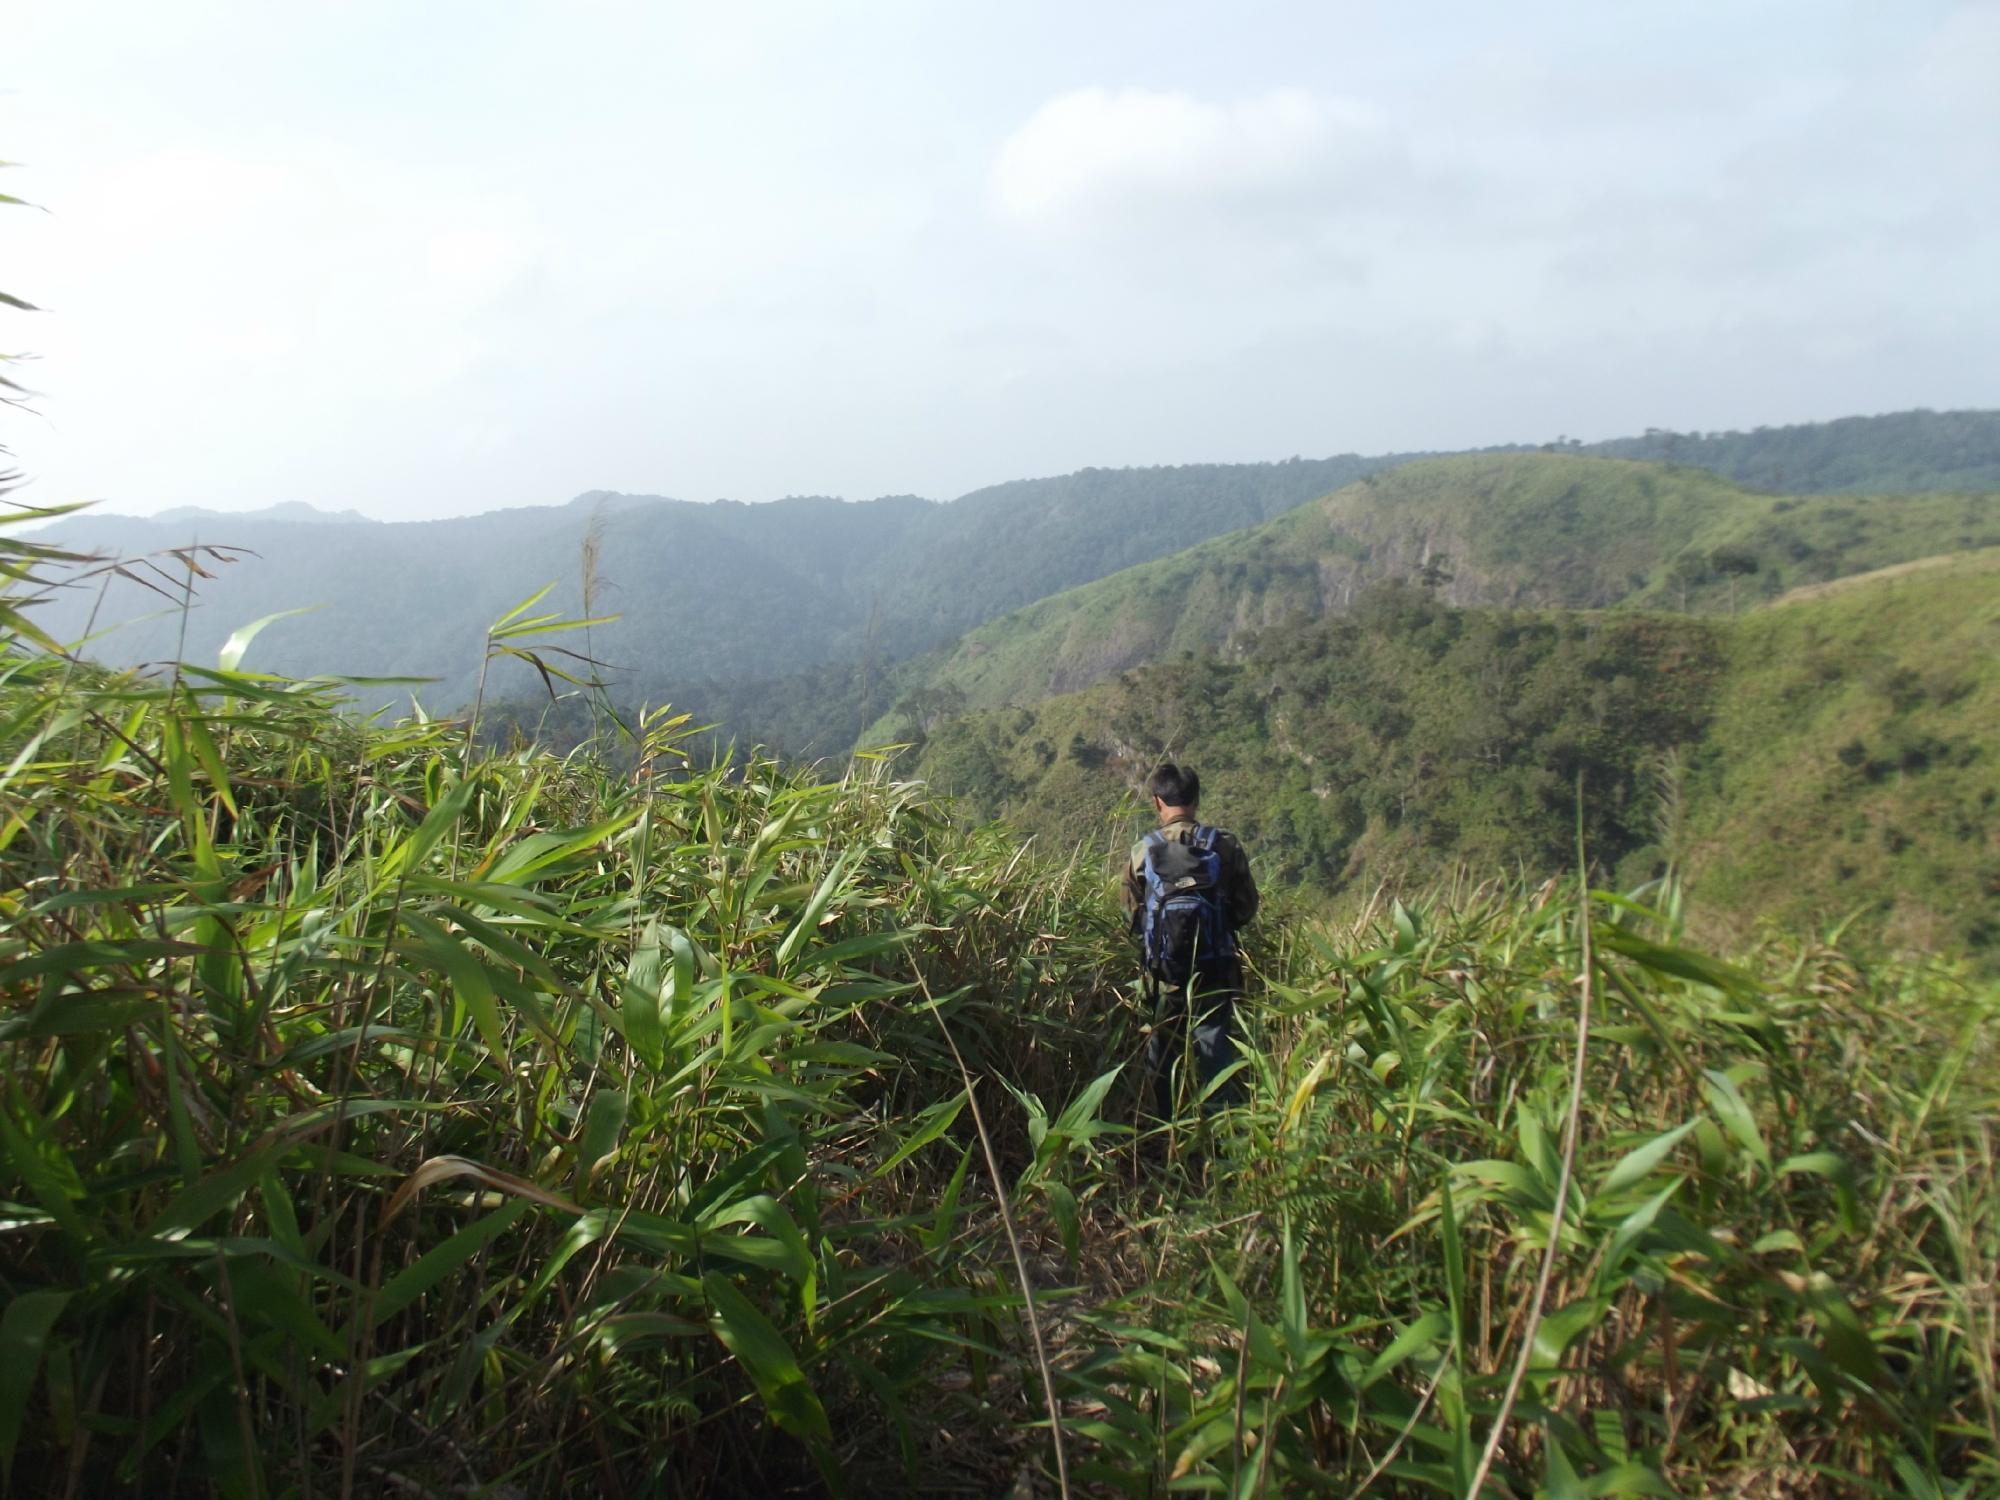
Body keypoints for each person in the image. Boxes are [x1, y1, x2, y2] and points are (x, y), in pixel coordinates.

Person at [1122, 762, 1258, 1119]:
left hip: (1164, 974)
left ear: (1157, 803)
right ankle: (1221, 1140)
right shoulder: (1224, 845)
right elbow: (1246, 908)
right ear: (1196, 800)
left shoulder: (1142, 851)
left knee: (1161, 1057)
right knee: (1216, 1055)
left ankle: (1163, 1135)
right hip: (1215, 969)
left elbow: (1132, 916)